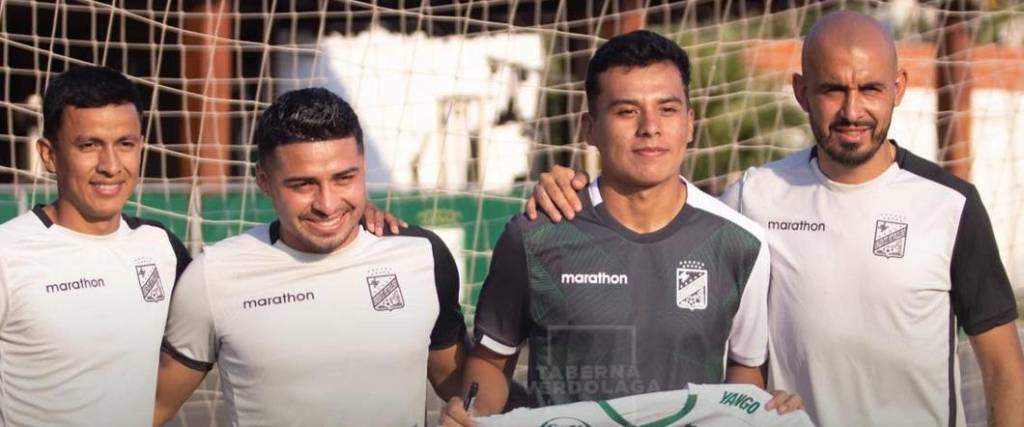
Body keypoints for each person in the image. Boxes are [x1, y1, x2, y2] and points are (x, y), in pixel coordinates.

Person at [527, 11, 1024, 427]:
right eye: (833, 90)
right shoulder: (755, 197)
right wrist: (578, 191)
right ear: (801, 92)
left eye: (870, 89)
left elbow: (1003, 368)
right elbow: (660, 215)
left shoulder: (951, 205)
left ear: (898, 88)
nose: (853, 110)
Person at [440, 30, 801, 426]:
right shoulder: (535, 235)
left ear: (690, 124)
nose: (650, 126)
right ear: (589, 128)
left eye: (667, 109)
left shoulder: (741, 243)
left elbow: (745, 373)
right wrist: (474, 412)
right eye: (626, 111)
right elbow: (491, 363)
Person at [154, 87, 467, 426]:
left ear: (363, 166)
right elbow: (151, 409)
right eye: (303, 185)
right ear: (264, 181)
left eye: (344, 178)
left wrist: (485, 408)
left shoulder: (420, 254)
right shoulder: (214, 275)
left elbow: (466, 389)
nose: (327, 204)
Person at [0, 65, 190, 425]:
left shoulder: (162, 247)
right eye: (89, 145)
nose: (111, 165)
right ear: (49, 155)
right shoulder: (8, 254)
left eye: (125, 144)